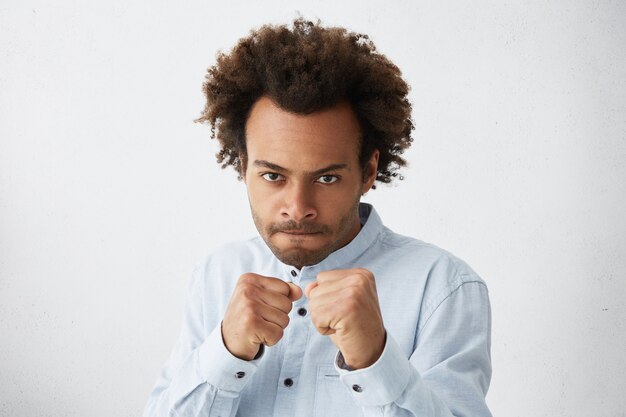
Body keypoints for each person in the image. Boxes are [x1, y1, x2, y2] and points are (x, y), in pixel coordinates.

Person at [144, 18, 492, 417]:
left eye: (326, 177)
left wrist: (375, 360)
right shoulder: (216, 274)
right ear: (243, 167)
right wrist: (225, 352)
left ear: (368, 171)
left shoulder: (444, 288)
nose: (298, 206)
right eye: (273, 175)